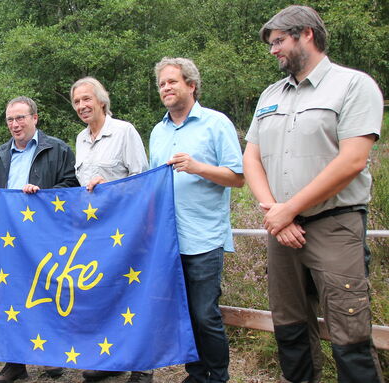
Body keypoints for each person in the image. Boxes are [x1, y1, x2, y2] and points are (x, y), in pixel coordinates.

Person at [243, 5, 384, 382]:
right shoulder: (270, 94)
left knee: (349, 331)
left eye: (278, 41)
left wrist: (289, 209)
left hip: (335, 225)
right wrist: (276, 212)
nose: (273, 50)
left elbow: (352, 160)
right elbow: (251, 157)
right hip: (280, 228)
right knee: (289, 327)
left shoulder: (353, 85)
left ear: (306, 33)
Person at [149, 57, 244, 383]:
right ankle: (196, 374)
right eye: (161, 84)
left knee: (205, 315)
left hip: (204, 237)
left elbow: (237, 176)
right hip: (170, 240)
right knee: (185, 315)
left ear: (191, 84)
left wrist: (197, 166)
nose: (165, 88)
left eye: (172, 82)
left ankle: (218, 377)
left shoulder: (216, 124)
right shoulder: (157, 132)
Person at [0, 96, 79, 382]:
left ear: (35, 118)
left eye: (21, 118)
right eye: (10, 119)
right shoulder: (1, 153)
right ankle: (15, 363)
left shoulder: (58, 148)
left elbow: (72, 187)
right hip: (11, 239)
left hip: (46, 237)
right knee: (11, 297)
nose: (15, 124)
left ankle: (51, 356)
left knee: (47, 295)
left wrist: (43, 193)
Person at [70, 77, 150, 383]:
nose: (82, 106)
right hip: (96, 236)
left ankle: (142, 367)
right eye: (77, 102)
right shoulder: (79, 139)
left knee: (133, 298)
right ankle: (110, 360)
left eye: (87, 99)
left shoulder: (124, 131)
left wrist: (111, 187)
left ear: (102, 101)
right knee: (105, 298)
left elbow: (143, 182)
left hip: (127, 232)